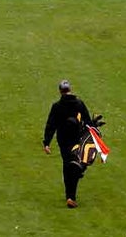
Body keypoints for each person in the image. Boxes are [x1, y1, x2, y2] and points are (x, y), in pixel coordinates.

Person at [42, 79, 93, 208]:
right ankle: (72, 194)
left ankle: (70, 196)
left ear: (60, 91)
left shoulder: (57, 106)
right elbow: (87, 122)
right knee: (76, 163)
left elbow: (51, 125)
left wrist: (46, 143)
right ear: (70, 89)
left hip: (63, 141)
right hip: (77, 139)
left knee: (67, 165)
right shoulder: (79, 104)